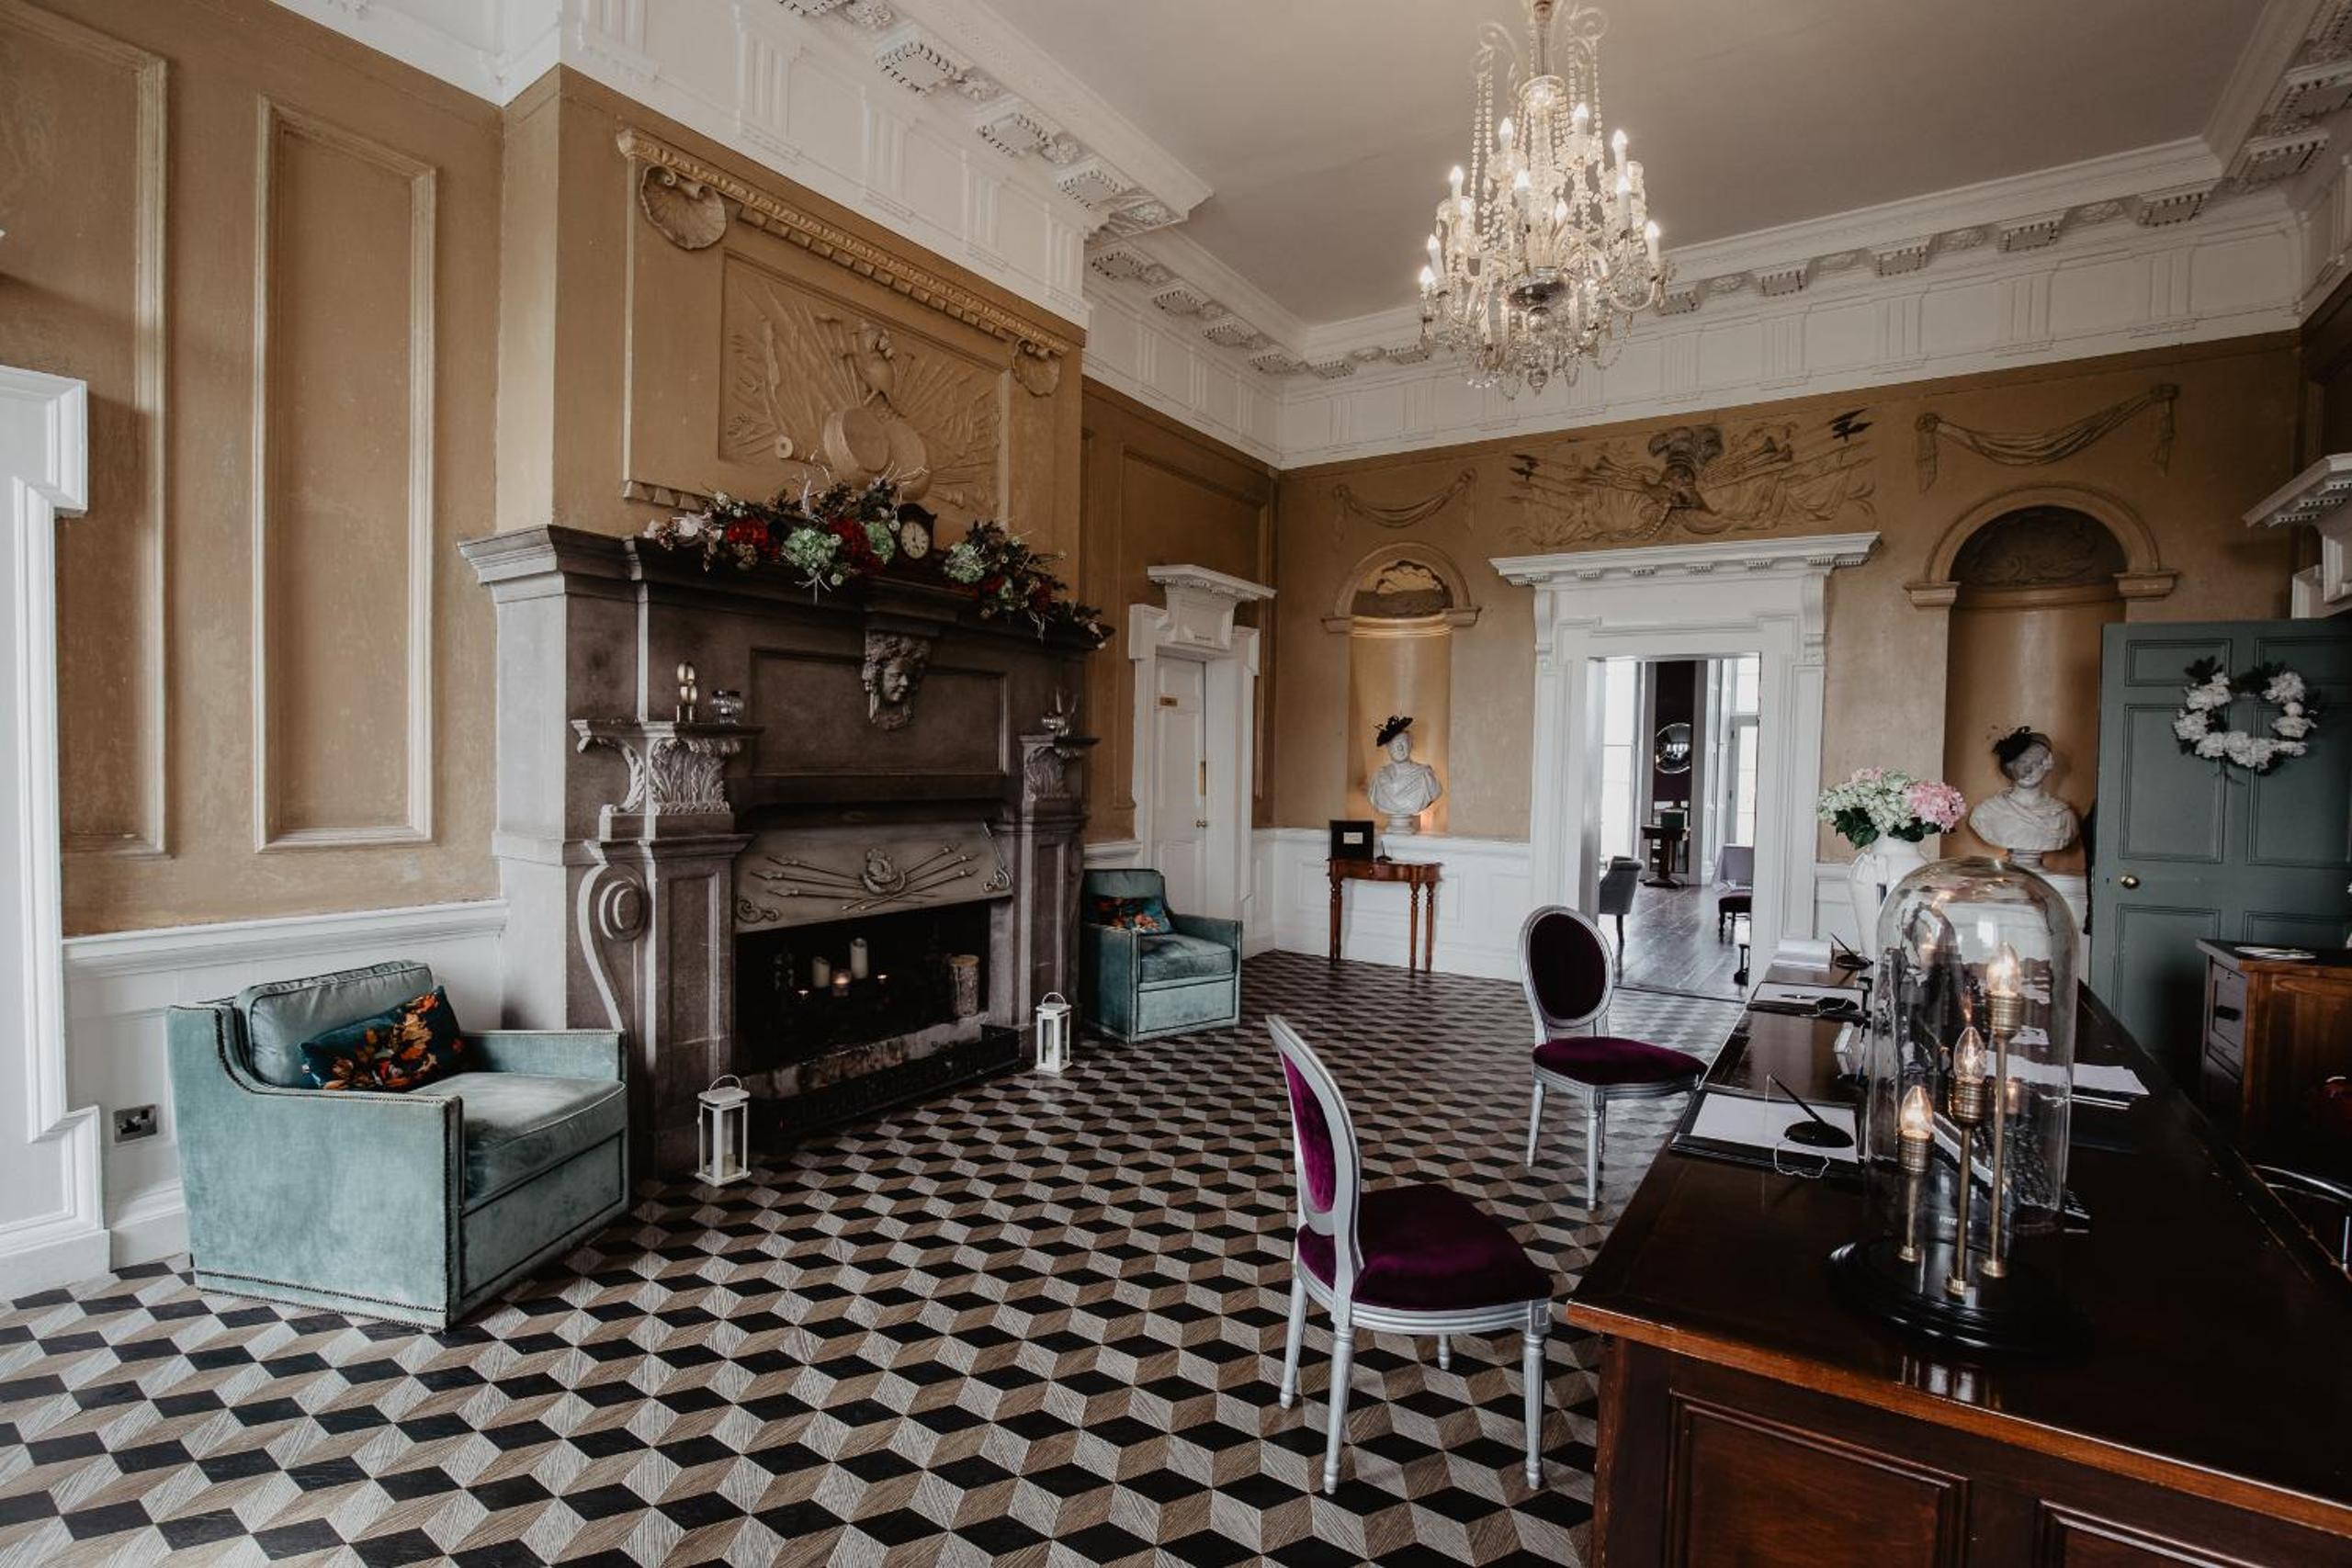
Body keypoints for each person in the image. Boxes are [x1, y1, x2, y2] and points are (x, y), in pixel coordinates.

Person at [1968, 727, 2080, 867]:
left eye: (2035, 762)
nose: (2027, 770)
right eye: (2019, 763)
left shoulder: (2064, 817)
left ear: (2048, 763)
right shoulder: (1985, 813)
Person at [1368, 715, 1442, 834]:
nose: (1400, 747)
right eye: (1395, 743)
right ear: (1388, 747)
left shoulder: (1425, 776)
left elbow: (1435, 792)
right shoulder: (1378, 777)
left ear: (1411, 745)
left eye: (1404, 742)